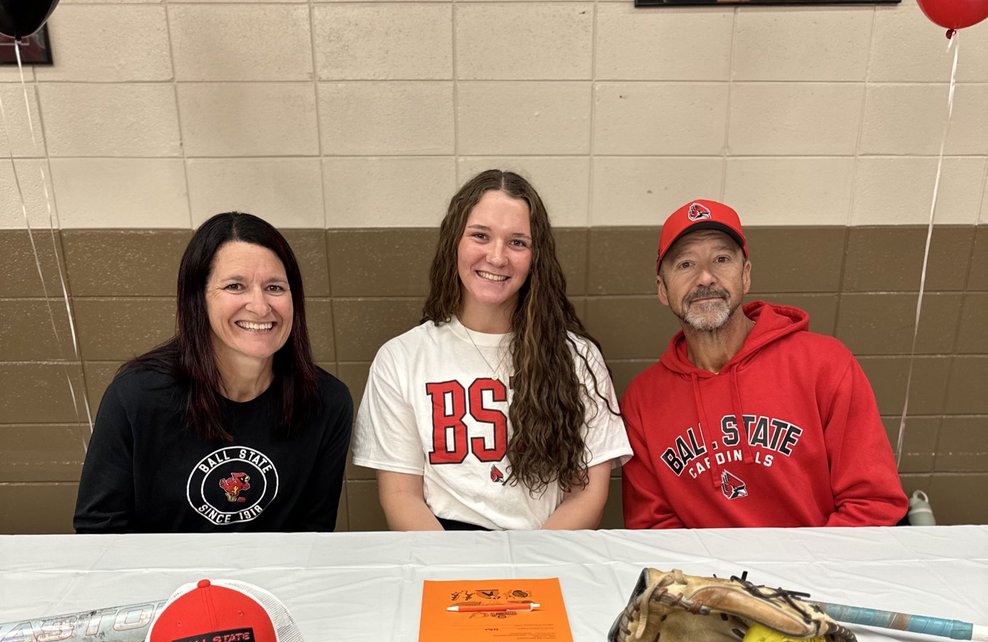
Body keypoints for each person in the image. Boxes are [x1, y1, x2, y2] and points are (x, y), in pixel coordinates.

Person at [351, 170, 631, 530]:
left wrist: (529, 570)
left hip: (545, 549)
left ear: (536, 257)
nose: (497, 257)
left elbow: (587, 494)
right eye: (480, 236)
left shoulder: (577, 358)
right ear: (455, 241)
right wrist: (459, 575)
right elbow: (400, 495)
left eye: (517, 242)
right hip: (444, 551)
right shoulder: (401, 358)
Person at [621, 199, 908, 529]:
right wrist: (713, 582)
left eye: (722, 259)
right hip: (709, 578)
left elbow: (873, 503)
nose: (705, 278)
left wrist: (803, 575)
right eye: (685, 264)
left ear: (745, 276)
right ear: (662, 289)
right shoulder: (643, 399)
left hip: (814, 573)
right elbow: (654, 527)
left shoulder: (825, 364)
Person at [74, 212, 352, 533]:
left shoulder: (327, 402)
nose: (260, 307)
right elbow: (98, 529)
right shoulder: (137, 395)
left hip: (268, 582)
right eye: (235, 286)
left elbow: (313, 534)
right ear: (198, 299)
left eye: (275, 287)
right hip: (165, 581)